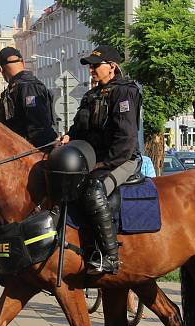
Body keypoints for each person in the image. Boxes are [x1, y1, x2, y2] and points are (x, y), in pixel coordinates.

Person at [61, 44, 142, 275]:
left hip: (122, 160)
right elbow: (78, 129)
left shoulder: (125, 92)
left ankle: (110, 257)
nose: (91, 70)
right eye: (90, 66)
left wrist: (103, 165)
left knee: (94, 188)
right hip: (93, 160)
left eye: (96, 66)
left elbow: (125, 139)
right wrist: (68, 137)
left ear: (112, 67)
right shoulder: (90, 96)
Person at [0, 46, 58, 147]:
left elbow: (38, 129)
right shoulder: (17, 89)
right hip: (22, 153)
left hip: (30, 155)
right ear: (23, 62)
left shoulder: (27, 87)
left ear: (1, 69)